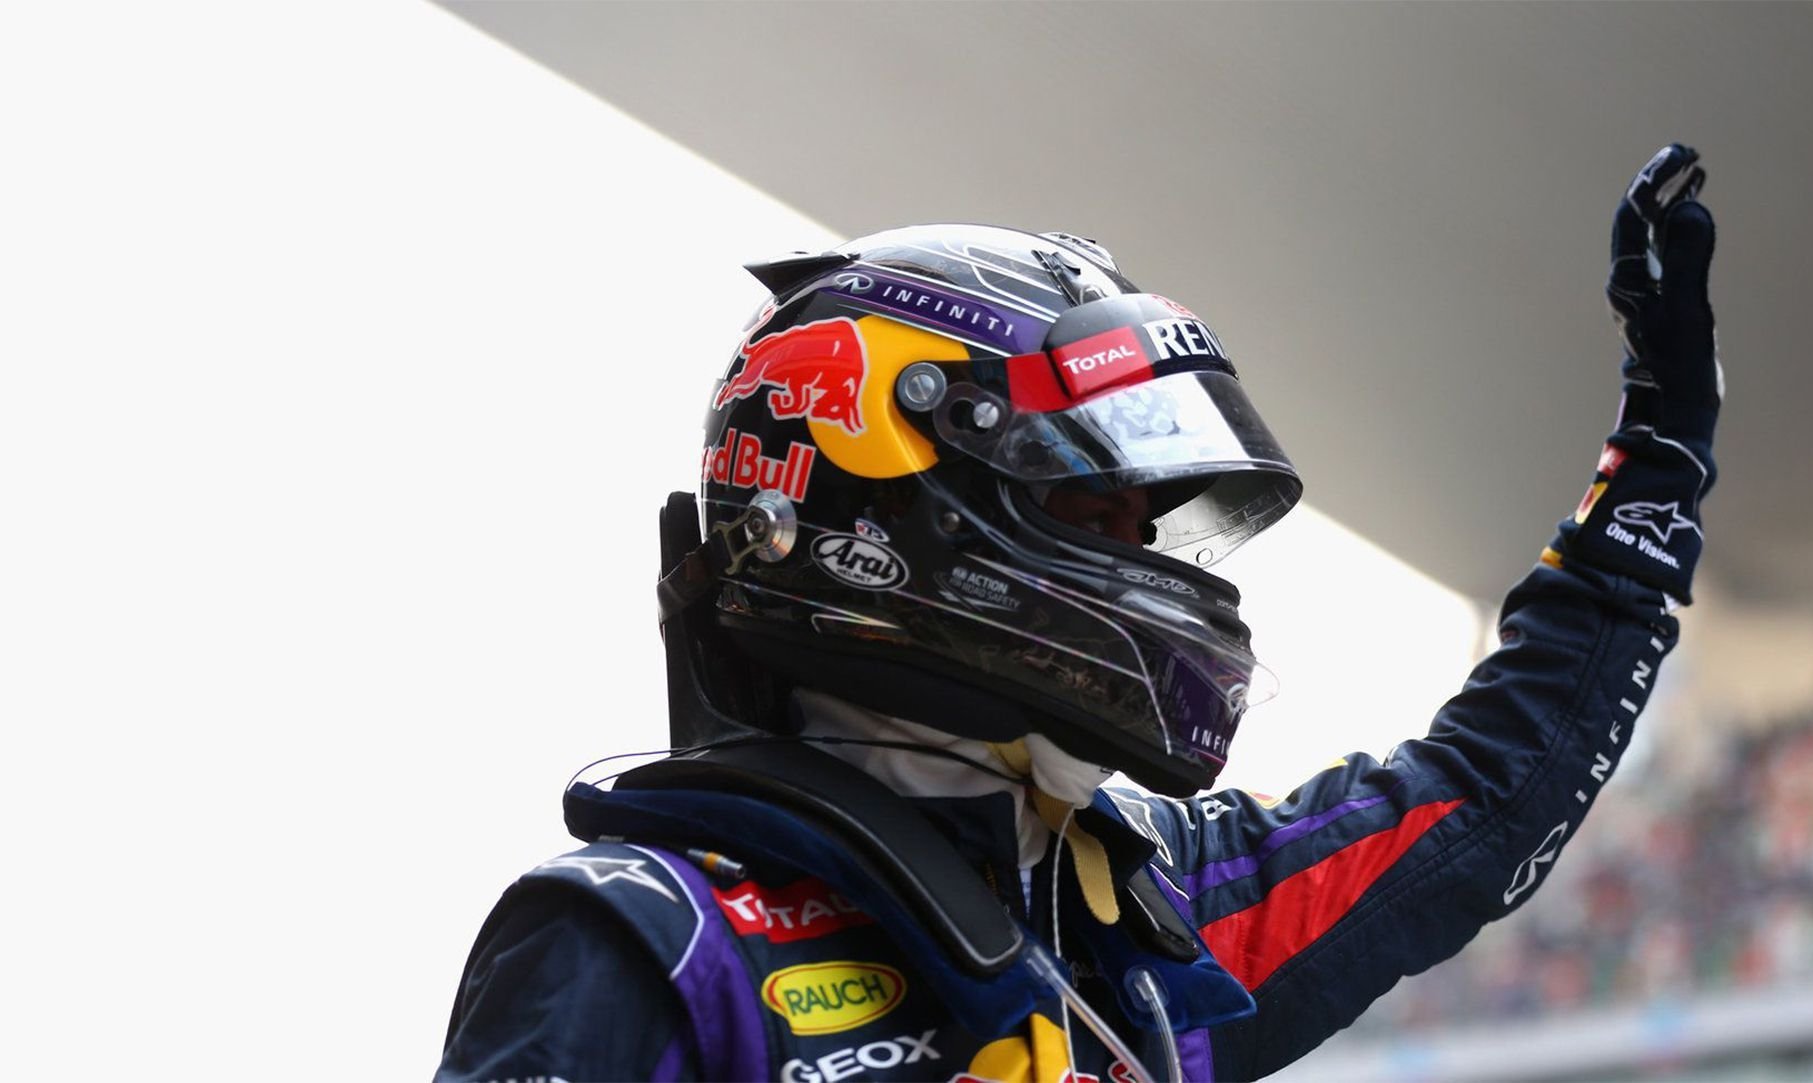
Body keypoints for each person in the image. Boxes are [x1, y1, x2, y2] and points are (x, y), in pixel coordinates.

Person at [436, 145, 1719, 1082]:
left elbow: (1476, 801)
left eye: (1139, 519)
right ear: (883, 502)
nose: (1135, 554)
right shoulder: (647, 943)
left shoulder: (1138, 908)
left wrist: (1655, 470)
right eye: (1086, 504)